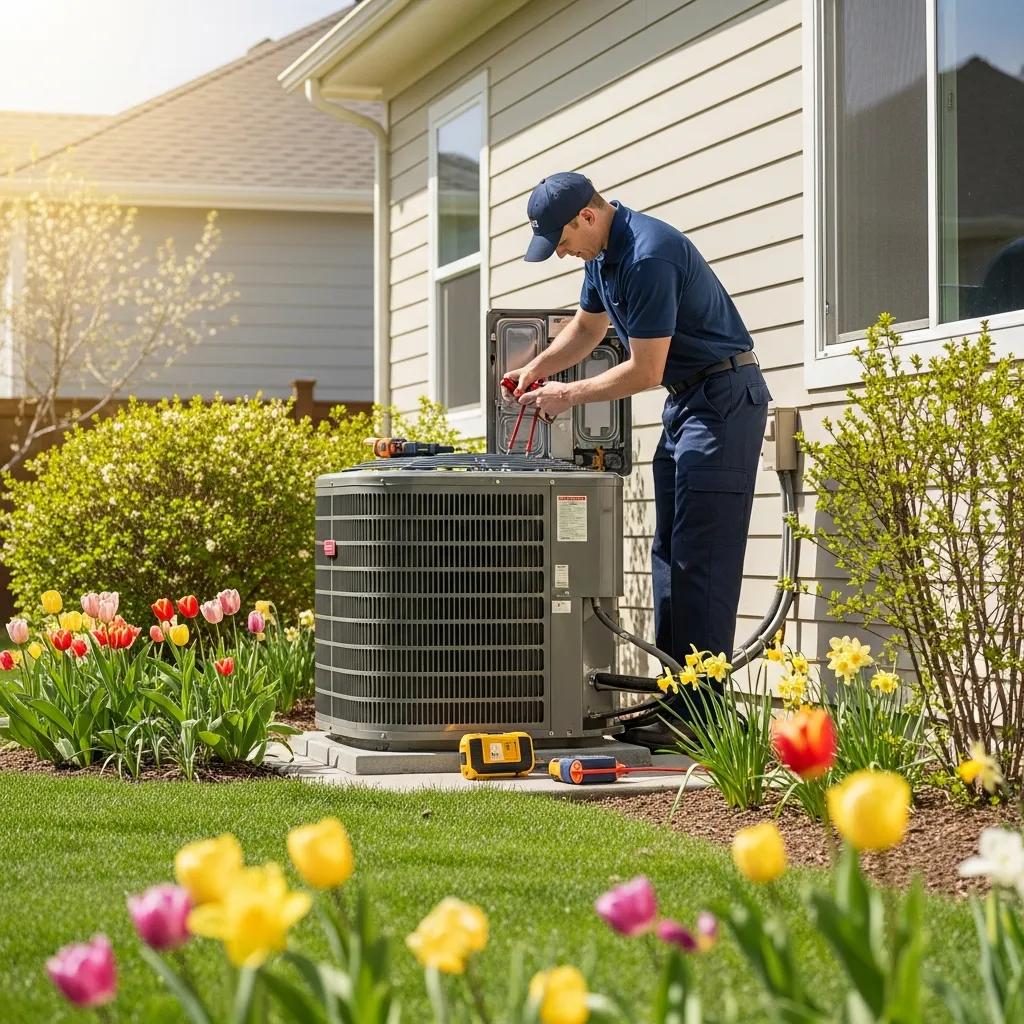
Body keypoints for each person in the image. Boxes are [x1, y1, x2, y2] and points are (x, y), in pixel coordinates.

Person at [505, 172, 771, 749]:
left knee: (702, 558)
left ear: (587, 216)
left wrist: (566, 396)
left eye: (561, 240)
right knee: (671, 557)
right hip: (689, 404)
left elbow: (645, 371)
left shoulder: (649, 254)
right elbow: (587, 327)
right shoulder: (601, 257)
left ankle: (703, 715)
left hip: (724, 402)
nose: (559, 252)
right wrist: (540, 368)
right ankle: (679, 705)